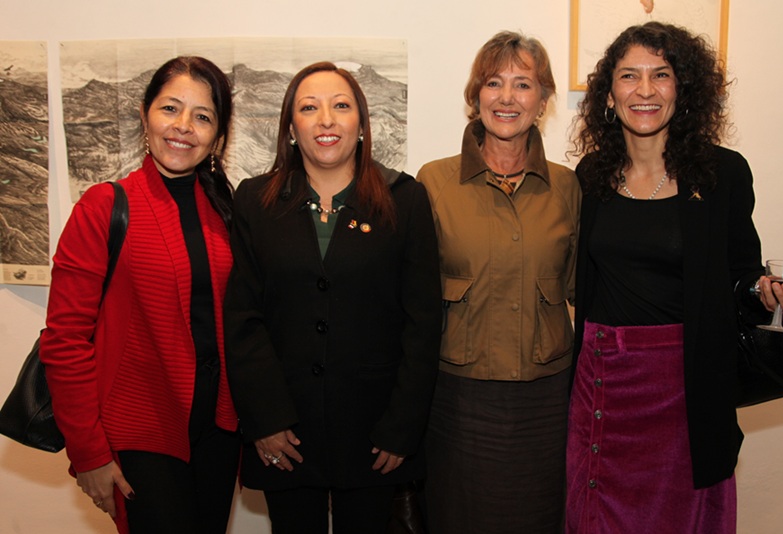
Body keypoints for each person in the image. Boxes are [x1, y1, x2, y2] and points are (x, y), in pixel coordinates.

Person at [566, 22, 783, 533]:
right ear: (609, 94)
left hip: (686, 385)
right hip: (602, 382)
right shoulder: (588, 177)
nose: (646, 90)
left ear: (684, 88)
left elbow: (741, 273)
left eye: (662, 75)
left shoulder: (722, 175)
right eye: (629, 76)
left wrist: (763, 290)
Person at [223, 61, 442, 534]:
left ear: (361, 125)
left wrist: (401, 428)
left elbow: (422, 324)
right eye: (309, 107)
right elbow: (244, 319)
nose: (326, 119)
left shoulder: (405, 200)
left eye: (341, 106)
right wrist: (265, 419)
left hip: (375, 433)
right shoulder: (255, 201)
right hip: (285, 430)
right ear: (290, 127)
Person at [40, 56, 240, 534]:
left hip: (218, 433)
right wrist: (88, 453)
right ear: (145, 114)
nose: (183, 126)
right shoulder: (104, 207)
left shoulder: (228, 213)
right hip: (140, 431)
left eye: (203, 116)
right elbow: (64, 341)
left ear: (219, 137)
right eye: (171, 108)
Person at [417, 31, 580, 534]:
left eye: (523, 84)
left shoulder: (568, 187)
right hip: (458, 397)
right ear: (476, 96)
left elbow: (584, 288)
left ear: (544, 100)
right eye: (494, 82)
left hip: (545, 400)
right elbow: (414, 303)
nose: (507, 97)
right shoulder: (433, 183)